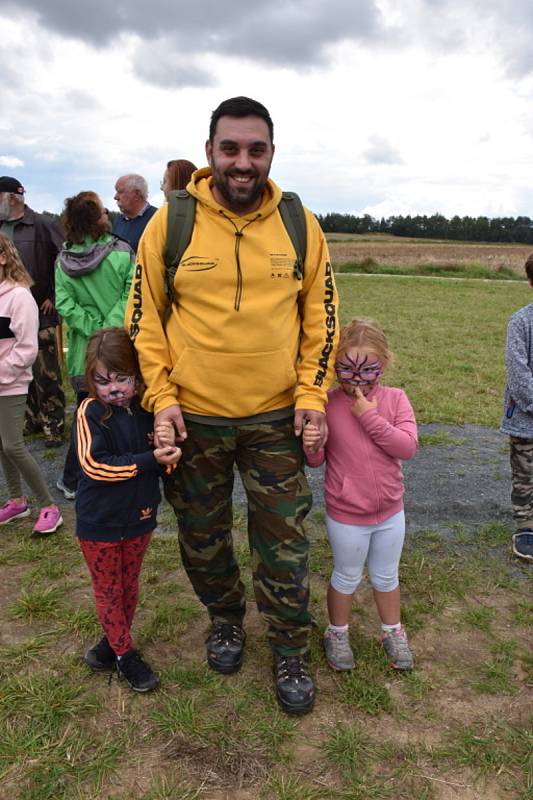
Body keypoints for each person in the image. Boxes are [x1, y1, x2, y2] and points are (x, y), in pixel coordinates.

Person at [127, 96, 338, 715]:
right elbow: (145, 321)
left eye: (256, 149)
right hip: (195, 419)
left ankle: (290, 648)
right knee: (201, 535)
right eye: (230, 148)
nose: (243, 162)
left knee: (284, 544)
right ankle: (224, 619)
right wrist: (161, 398)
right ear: (210, 149)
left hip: (276, 417)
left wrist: (311, 395)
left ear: (271, 152)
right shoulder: (172, 222)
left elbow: (320, 319)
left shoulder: (300, 223)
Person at [303, 319, 417, 672]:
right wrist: (312, 446)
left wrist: (370, 417)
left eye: (368, 369)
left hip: (390, 513)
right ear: (334, 366)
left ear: (384, 363)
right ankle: (336, 633)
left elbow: (407, 447)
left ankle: (392, 631)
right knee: (347, 576)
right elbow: (317, 459)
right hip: (347, 515)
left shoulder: (396, 400)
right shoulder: (327, 405)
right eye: (346, 370)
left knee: (386, 576)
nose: (357, 379)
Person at [75, 327, 181, 691]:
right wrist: (149, 459)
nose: (114, 389)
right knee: (108, 589)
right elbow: (94, 465)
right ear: (91, 379)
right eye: (103, 381)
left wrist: (168, 454)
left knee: (128, 586)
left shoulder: (148, 410)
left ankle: (110, 644)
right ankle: (126, 656)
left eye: (123, 378)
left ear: (138, 376)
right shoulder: (90, 411)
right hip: (99, 523)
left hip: (139, 519)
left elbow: (162, 462)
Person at [54, 191, 135, 501]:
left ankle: (73, 479)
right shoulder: (122, 252)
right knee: (126, 410)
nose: (108, 215)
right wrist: (109, 329)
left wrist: (92, 331)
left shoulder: (63, 261)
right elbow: (132, 292)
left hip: (83, 354)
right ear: (95, 219)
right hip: (120, 349)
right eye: (103, 212)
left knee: (86, 416)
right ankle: (125, 471)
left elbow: (64, 303)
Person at [0, 233, 63, 534]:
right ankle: (16, 502)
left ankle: (49, 505)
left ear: (3, 257)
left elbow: (27, 349)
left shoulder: (20, 296)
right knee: (1, 446)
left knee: (13, 446)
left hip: (9, 383)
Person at [0, 176, 65, 447]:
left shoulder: (43, 224)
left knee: (46, 372)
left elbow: (65, 260)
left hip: (41, 309)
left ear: (9, 198)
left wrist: (54, 295)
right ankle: (31, 419)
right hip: (9, 313)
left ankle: (54, 424)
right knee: (18, 372)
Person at [500, 254, 533, 562]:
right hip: (525, 421)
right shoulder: (520, 322)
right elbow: (518, 373)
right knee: (525, 474)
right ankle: (525, 525)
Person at [112, 174, 157, 253]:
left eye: (120, 192)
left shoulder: (157, 218)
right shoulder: (119, 220)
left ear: (136, 194)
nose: (115, 197)